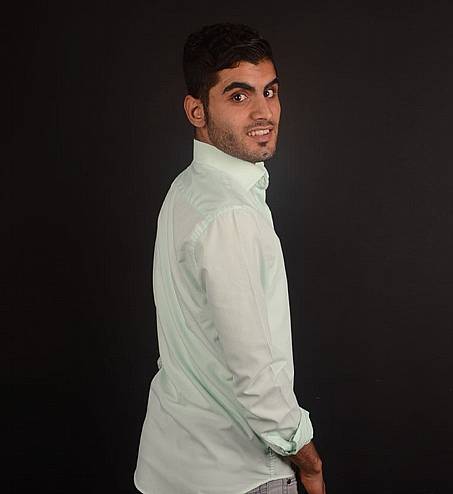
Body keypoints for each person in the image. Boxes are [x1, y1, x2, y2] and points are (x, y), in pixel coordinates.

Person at [133, 22, 326, 494]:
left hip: (167, 467)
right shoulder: (230, 215)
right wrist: (309, 461)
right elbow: (259, 382)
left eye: (270, 92)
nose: (264, 112)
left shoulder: (186, 188)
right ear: (196, 110)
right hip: (239, 476)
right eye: (239, 96)